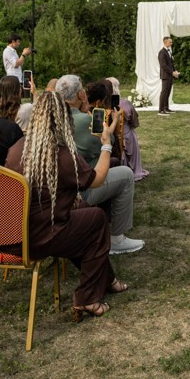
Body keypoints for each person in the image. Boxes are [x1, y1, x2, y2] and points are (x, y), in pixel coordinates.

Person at [4, 92, 129, 321]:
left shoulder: (16, 150)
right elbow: (98, 178)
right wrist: (107, 145)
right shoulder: (62, 155)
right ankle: (87, 297)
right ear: (63, 120)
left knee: (85, 220)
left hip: (12, 234)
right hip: (42, 235)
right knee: (97, 219)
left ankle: (107, 279)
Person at [56, 75, 145, 254]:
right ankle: (117, 239)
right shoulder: (83, 120)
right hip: (81, 189)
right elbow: (108, 141)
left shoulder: (52, 118)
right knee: (126, 174)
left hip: (57, 189)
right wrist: (111, 121)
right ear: (81, 94)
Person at [108, 77, 148, 180]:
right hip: (126, 137)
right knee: (131, 133)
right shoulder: (124, 103)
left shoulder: (103, 105)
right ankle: (134, 169)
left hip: (109, 137)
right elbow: (134, 122)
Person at [158, 36, 178, 114]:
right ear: (165, 42)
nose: (171, 43)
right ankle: (161, 110)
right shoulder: (162, 52)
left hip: (170, 75)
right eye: (170, 42)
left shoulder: (169, 51)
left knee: (168, 92)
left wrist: (175, 70)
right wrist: (172, 73)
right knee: (164, 92)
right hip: (165, 75)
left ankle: (166, 108)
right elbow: (163, 65)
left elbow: (171, 63)